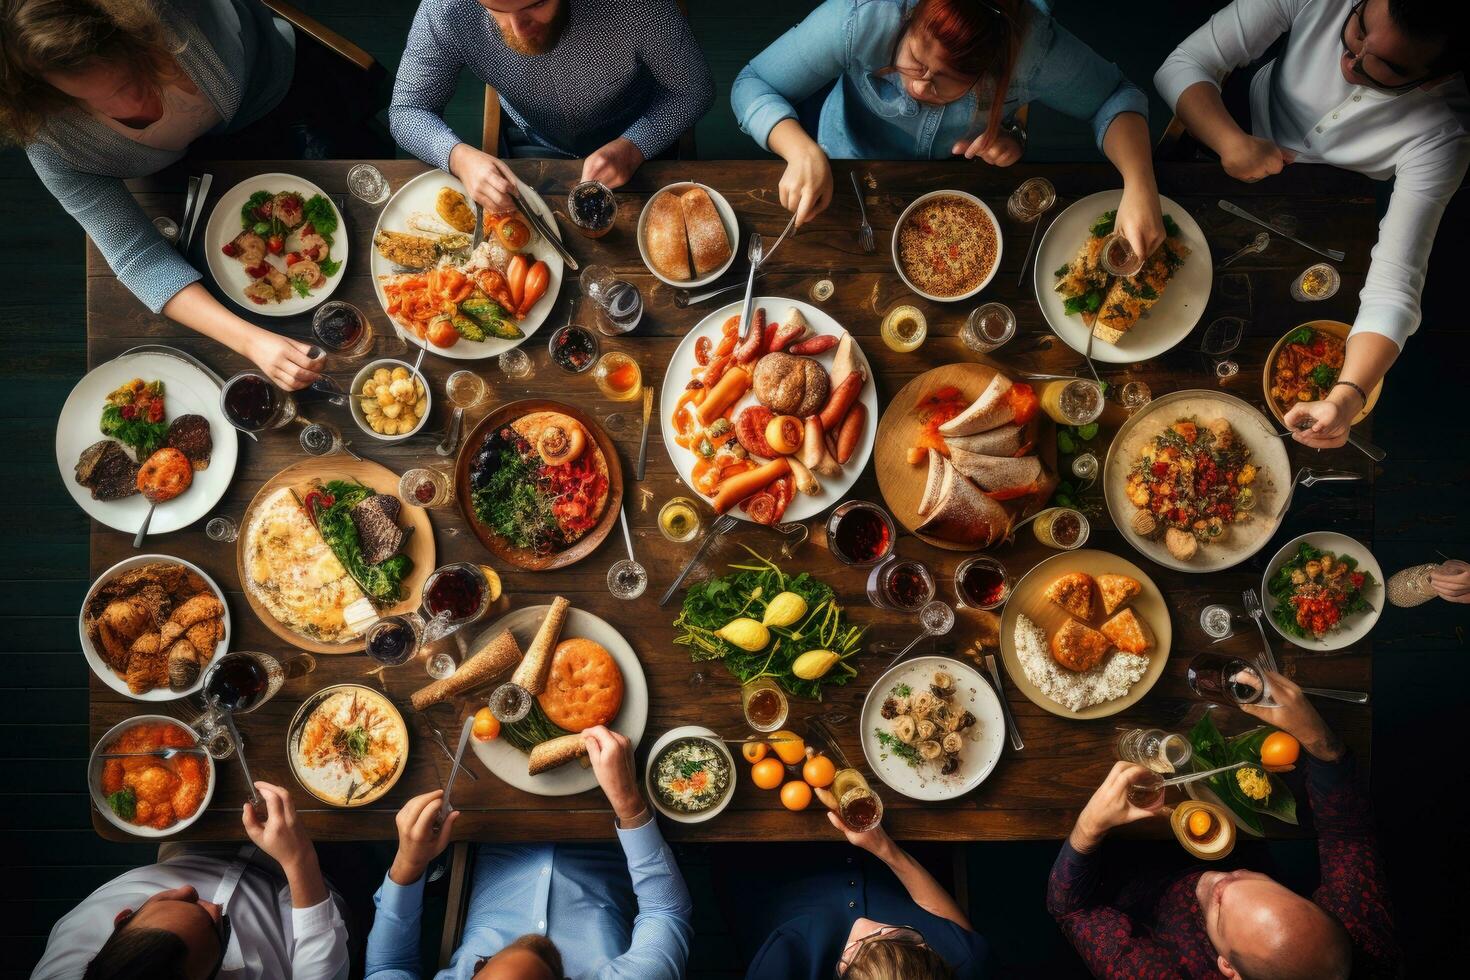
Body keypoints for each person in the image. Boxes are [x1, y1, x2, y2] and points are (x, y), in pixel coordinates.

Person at [0, 0, 380, 390]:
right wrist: (251, 341)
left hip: (277, 92)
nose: (133, 105)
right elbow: (138, 258)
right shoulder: (53, 147)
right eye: (93, 101)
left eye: (132, 76)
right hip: (188, 167)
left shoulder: (175, 9)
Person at [1156, 0, 1469, 449]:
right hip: (1232, 123)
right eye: (1357, 30)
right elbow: (1183, 63)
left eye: (1384, 68)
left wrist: (1345, 399)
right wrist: (1232, 143)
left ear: (1435, 77)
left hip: (1330, 198)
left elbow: (1396, 287)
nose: (1349, 62)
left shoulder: (1447, 133)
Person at [730, 0, 1164, 255]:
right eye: (916, 61)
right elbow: (753, 84)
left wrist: (1140, 184)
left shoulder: (1035, 48)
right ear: (910, 20)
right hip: (844, 172)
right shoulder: (860, 16)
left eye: (944, 82)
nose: (920, 85)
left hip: (965, 189)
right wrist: (800, 149)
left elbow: (1116, 98)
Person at [1048, 672, 1400, 979]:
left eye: (1219, 904)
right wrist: (1318, 738)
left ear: (1228, 968)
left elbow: (1071, 910)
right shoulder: (1364, 938)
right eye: (1253, 881)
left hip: (1131, 888)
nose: (1217, 876)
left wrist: (1089, 826)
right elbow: (1349, 835)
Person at [365, 725, 693, 979]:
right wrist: (629, 803)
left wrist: (410, 860)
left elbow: (388, 966)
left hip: (493, 817)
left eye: (484, 963)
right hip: (605, 825)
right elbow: (666, 911)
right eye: (548, 965)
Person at [390, 0, 713, 213]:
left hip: (638, 132)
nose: (518, 31)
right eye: (495, 9)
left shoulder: (640, 7)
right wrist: (458, 157)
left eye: (536, 3)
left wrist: (636, 146)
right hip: (527, 139)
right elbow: (407, 109)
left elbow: (694, 89)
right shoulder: (445, 8)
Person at [32, 781, 349, 980]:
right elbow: (323, 970)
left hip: (193, 852)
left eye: (177, 900)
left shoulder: (63, 962)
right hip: (299, 897)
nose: (212, 903)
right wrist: (298, 860)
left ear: (123, 919)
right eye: (217, 929)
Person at [717, 811, 987, 979]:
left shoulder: (777, 971)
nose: (867, 925)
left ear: (843, 968)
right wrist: (884, 848)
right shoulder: (965, 966)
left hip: (775, 861)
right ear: (925, 949)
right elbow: (938, 913)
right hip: (885, 841)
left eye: (860, 945)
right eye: (897, 933)